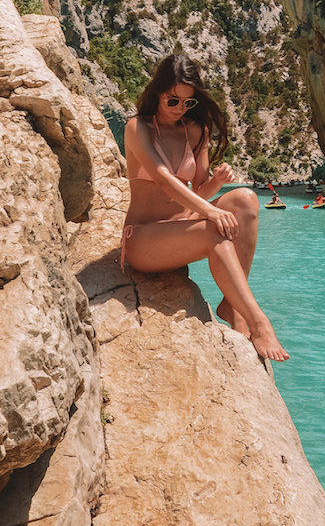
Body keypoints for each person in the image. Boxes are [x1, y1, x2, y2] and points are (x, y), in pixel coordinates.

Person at [120, 53, 288, 362]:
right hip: (144, 239)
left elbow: (198, 188)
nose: (181, 108)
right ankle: (258, 321)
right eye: (173, 101)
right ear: (158, 92)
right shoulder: (137, 127)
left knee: (246, 200)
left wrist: (218, 182)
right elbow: (163, 179)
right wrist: (210, 211)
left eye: (188, 102)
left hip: (182, 228)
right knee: (214, 230)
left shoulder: (194, 131)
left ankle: (230, 303)